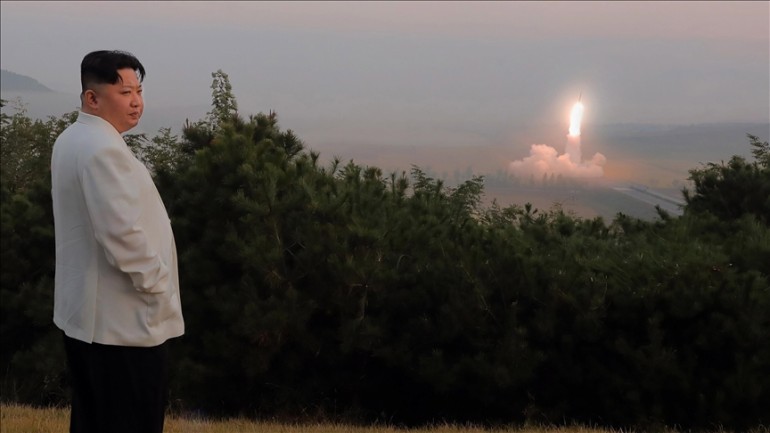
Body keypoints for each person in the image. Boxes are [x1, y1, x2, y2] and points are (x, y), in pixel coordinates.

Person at [50, 50, 184, 433]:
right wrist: (158, 285)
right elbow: (121, 234)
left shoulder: (72, 138)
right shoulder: (102, 149)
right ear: (92, 98)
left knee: (94, 418)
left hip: (88, 318)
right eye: (125, 92)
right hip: (122, 322)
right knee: (131, 420)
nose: (137, 101)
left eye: (139, 90)